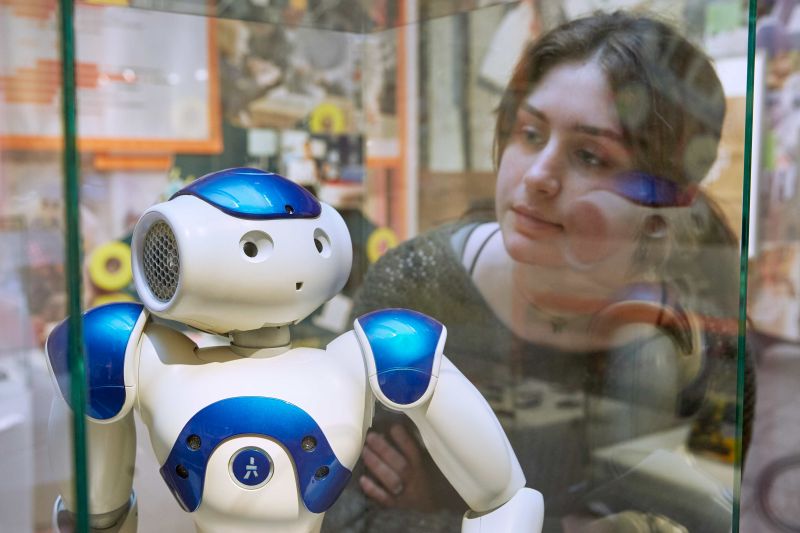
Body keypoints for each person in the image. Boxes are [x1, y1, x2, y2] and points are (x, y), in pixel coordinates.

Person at [323, 10, 755, 533]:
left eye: (590, 156)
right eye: (530, 133)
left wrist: (450, 510)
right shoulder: (416, 288)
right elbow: (347, 511)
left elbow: (705, 517)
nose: (538, 176)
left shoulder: (706, 324)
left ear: (664, 200)